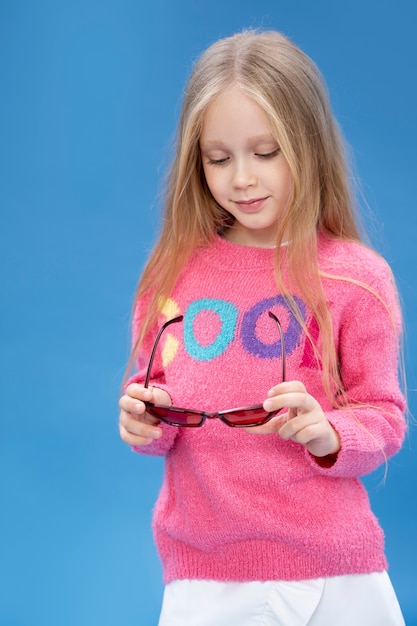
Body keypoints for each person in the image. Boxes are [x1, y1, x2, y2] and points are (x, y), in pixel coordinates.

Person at [118, 29, 406, 625]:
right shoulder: (173, 276)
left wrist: (328, 433)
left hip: (335, 572)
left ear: (308, 145)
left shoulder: (355, 278)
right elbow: (158, 406)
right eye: (218, 158)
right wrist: (146, 419)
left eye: (265, 152)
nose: (241, 178)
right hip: (206, 577)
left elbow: (383, 413)